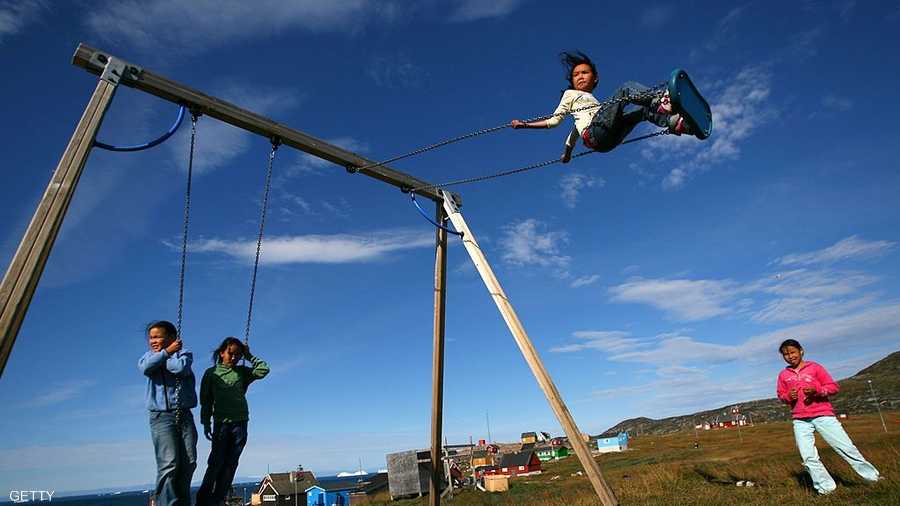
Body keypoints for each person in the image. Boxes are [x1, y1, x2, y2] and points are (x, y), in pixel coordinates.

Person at [510, 51, 694, 160]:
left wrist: (567, 155)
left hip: (606, 141)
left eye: (585, 72)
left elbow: (572, 138)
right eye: (576, 75)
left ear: (595, 78)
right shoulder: (570, 95)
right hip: (597, 133)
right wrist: (525, 125)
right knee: (625, 89)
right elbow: (553, 122)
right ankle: (660, 101)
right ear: (571, 82)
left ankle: (677, 123)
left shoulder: (586, 113)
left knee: (642, 112)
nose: (580, 76)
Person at [776, 339, 881, 495]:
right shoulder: (783, 375)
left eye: (792, 352)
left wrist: (816, 390)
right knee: (808, 457)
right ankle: (826, 489)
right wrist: (788, 397)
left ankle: (873, 478)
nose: (790, 356)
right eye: (786, 354)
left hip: (823, 415)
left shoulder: (815, 368)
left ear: (801, 351)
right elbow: (781, 395)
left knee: (846, 448)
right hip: (800, 420)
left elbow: (833, 387)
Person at [196, 337, 270, 505]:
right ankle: (203, 500)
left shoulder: (242, 372)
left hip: (241, 423)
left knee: (231, 464)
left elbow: (264, 369)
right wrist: (206, 423)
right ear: (222, 353)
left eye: (238, 354)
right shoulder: (211, 373)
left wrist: (249, 355)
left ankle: (218, 499)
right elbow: (206, 401)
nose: (234, 357)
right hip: (221, 423)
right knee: (216, 462)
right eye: (231, 353)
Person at [139, 320, 198, 506]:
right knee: (169, 463)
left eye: (157, 336)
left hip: (184, 414)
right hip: (161, 417)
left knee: (189, 461)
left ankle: (182, 502)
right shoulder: (147, 357)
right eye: (150, 337)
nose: (153, 341)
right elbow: (146, 368)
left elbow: (180, 368)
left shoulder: (185, 354)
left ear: (172, 338)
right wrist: (166, 353)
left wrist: (167, 356)